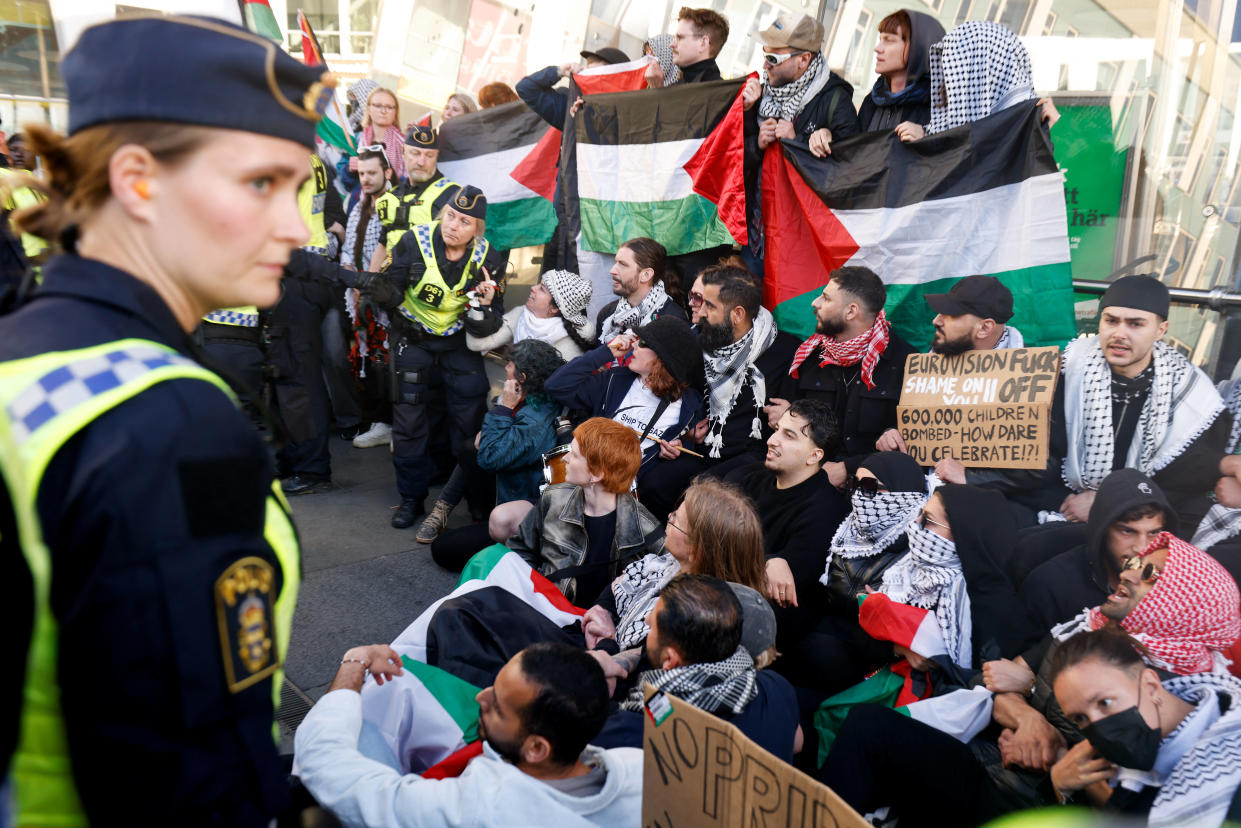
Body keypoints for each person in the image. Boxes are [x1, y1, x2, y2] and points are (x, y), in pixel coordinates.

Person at [0, 15, 318, 824]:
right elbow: (187, 783)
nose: (293, 226)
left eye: (301, 190)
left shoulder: (20, 352)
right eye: (261, 183)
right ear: (137, 179)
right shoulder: (169, 424)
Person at [294, 642, 644, 827]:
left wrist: (355, 662)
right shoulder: (640, 771)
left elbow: (327, 765)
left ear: (537, 748)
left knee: (358, 735)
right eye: (494, 685)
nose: (481, 697)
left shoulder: (481, 806)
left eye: (499, 706)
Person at [350, 184, 505, 528]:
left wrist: (486, 304)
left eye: (464, 222)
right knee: (408, 423)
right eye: (450, 215)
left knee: (471, 422)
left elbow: (493, 323)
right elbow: (387, 295)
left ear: (476, 229)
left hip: (457, 343)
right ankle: (411, 499)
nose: (453, 225)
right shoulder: (412, 241)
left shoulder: (489, 258)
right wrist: (381, 288)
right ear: (442, 214)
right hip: (413, 339)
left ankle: (476, 502)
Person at [640, 261, 797, 513]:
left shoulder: (786, 352)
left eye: (710, 306)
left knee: (704, 496)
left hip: (753, 457)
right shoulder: (700, 340)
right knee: (653, 481)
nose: (701, 313)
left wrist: (789, 413)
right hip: (699, 449)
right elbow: (683, 394)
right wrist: (685, 431)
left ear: (737, 314)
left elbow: (794, 414)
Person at [597, 574, 801, 762]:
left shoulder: (630, 731)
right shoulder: (776, 689)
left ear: (670, 661)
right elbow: (796, 743)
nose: (646, 619)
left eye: (653, 628)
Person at [1047, 629, 1241, 824]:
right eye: (1080, 718)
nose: (1098, 727)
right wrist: (1061, 787)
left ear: (1151, 686)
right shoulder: (1121, 761)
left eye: (1104, 703)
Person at [768, 266, 916, 487]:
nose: (815, 303)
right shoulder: (808, 355)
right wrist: (787, 417)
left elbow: (908, 446)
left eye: (825, 298)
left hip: (868, 486)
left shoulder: (904, 362)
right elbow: (784, 412)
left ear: (851, 311)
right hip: (806, 475)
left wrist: (847, 469)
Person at [420, 339, 565, 550]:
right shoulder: (530, 399)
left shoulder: (534, 419)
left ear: (521, 378)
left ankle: (481, 524)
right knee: (469, 449)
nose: (505, 368)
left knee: (442, 549)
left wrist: (503, 409)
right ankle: (444, 509)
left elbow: (490, 458)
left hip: (524, 510)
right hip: (507, 484)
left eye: (509, 364)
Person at [509, 418, 665, 605]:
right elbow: (520, 549)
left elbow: (669, 582)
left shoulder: (645, 528)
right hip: (548, 611)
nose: (565, 458)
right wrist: (531, 592)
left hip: (601, 628)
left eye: (574, 455)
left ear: (597, 474)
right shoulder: (553, 498)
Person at [546, 315, 704, 499]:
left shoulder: (690, 406)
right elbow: (556, 385)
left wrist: (680, 445)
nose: (634, 345)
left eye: (643, 343)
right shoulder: (615, 380)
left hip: (627, 498)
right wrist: (606, 352)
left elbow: (689, 457)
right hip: (584, 481)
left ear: (662, 359)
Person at [1018, 469, 1177, 632]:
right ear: (1102, 529)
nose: (1141, 547)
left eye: (1153, 533)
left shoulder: (1171, 588)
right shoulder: (1051, 586)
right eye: (1128, 531)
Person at [895, 20, 1059, 143]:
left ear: (986, 72)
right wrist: (925, 138)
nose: (948, 77)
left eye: (961, 68)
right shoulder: (934, 124)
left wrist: (1042, 131)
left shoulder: (1029, 125)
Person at [340, 148, 395, 449]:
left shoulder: (395, 205)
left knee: (386, 361)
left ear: (387, 172)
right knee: (369, 361)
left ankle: (395, 425)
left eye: (372, 172)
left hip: (385, 300)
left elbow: (395, 252)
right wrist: (352, 276)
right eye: (362, 173)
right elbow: (348, 250)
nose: (366, 178)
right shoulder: (358, 204)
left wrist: (369, 283)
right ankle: (381, 422)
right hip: (358, 298)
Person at [369, 124, 458, 271]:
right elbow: (383, 245)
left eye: (429, 155)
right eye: (415, 153)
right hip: (390, 285)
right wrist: (369, 285)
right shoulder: (392, 196)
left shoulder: (451, 195)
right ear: (403, 153)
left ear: (437, 157)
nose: (421, 162)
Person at [467, 268, 595, 360]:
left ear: (555, 309)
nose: (533, 288)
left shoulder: (569, 348)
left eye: (542, 289)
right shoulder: (522, 314)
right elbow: (476, 344)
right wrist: (481, 305)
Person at [857, 9, 945, 133]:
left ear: (918, 47)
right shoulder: (872, 101)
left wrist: (926, 137)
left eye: (889, 40)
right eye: (880, 39)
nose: (877, 48)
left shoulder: (936, 108)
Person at [594, 237, 687, 344]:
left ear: (646, 275)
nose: (612, 270)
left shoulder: (673, 320)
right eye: (616, 262)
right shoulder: (608, 314)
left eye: (622, 264)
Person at [516, 48, 629, 131]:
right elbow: (525, 88)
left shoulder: (627, 113)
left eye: (591, 65)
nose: (583, 68)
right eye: (586, 64)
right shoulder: (570, 104)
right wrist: (559, 71)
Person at [339, 85, 405, 197]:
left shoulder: (404, 144)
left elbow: (410, 184)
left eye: (389, 107)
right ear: (368, 109)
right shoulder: (357, 140)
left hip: (390, 208)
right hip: (360, 207)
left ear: (395, 112)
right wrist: (349, 170)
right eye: (378, 106)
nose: (383, 111)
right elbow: (346, 183)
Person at [671, 7, 729, 83]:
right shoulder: (679, 80)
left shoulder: (716, 92)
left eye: (679, 38)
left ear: (703, 43)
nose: (672, 44)